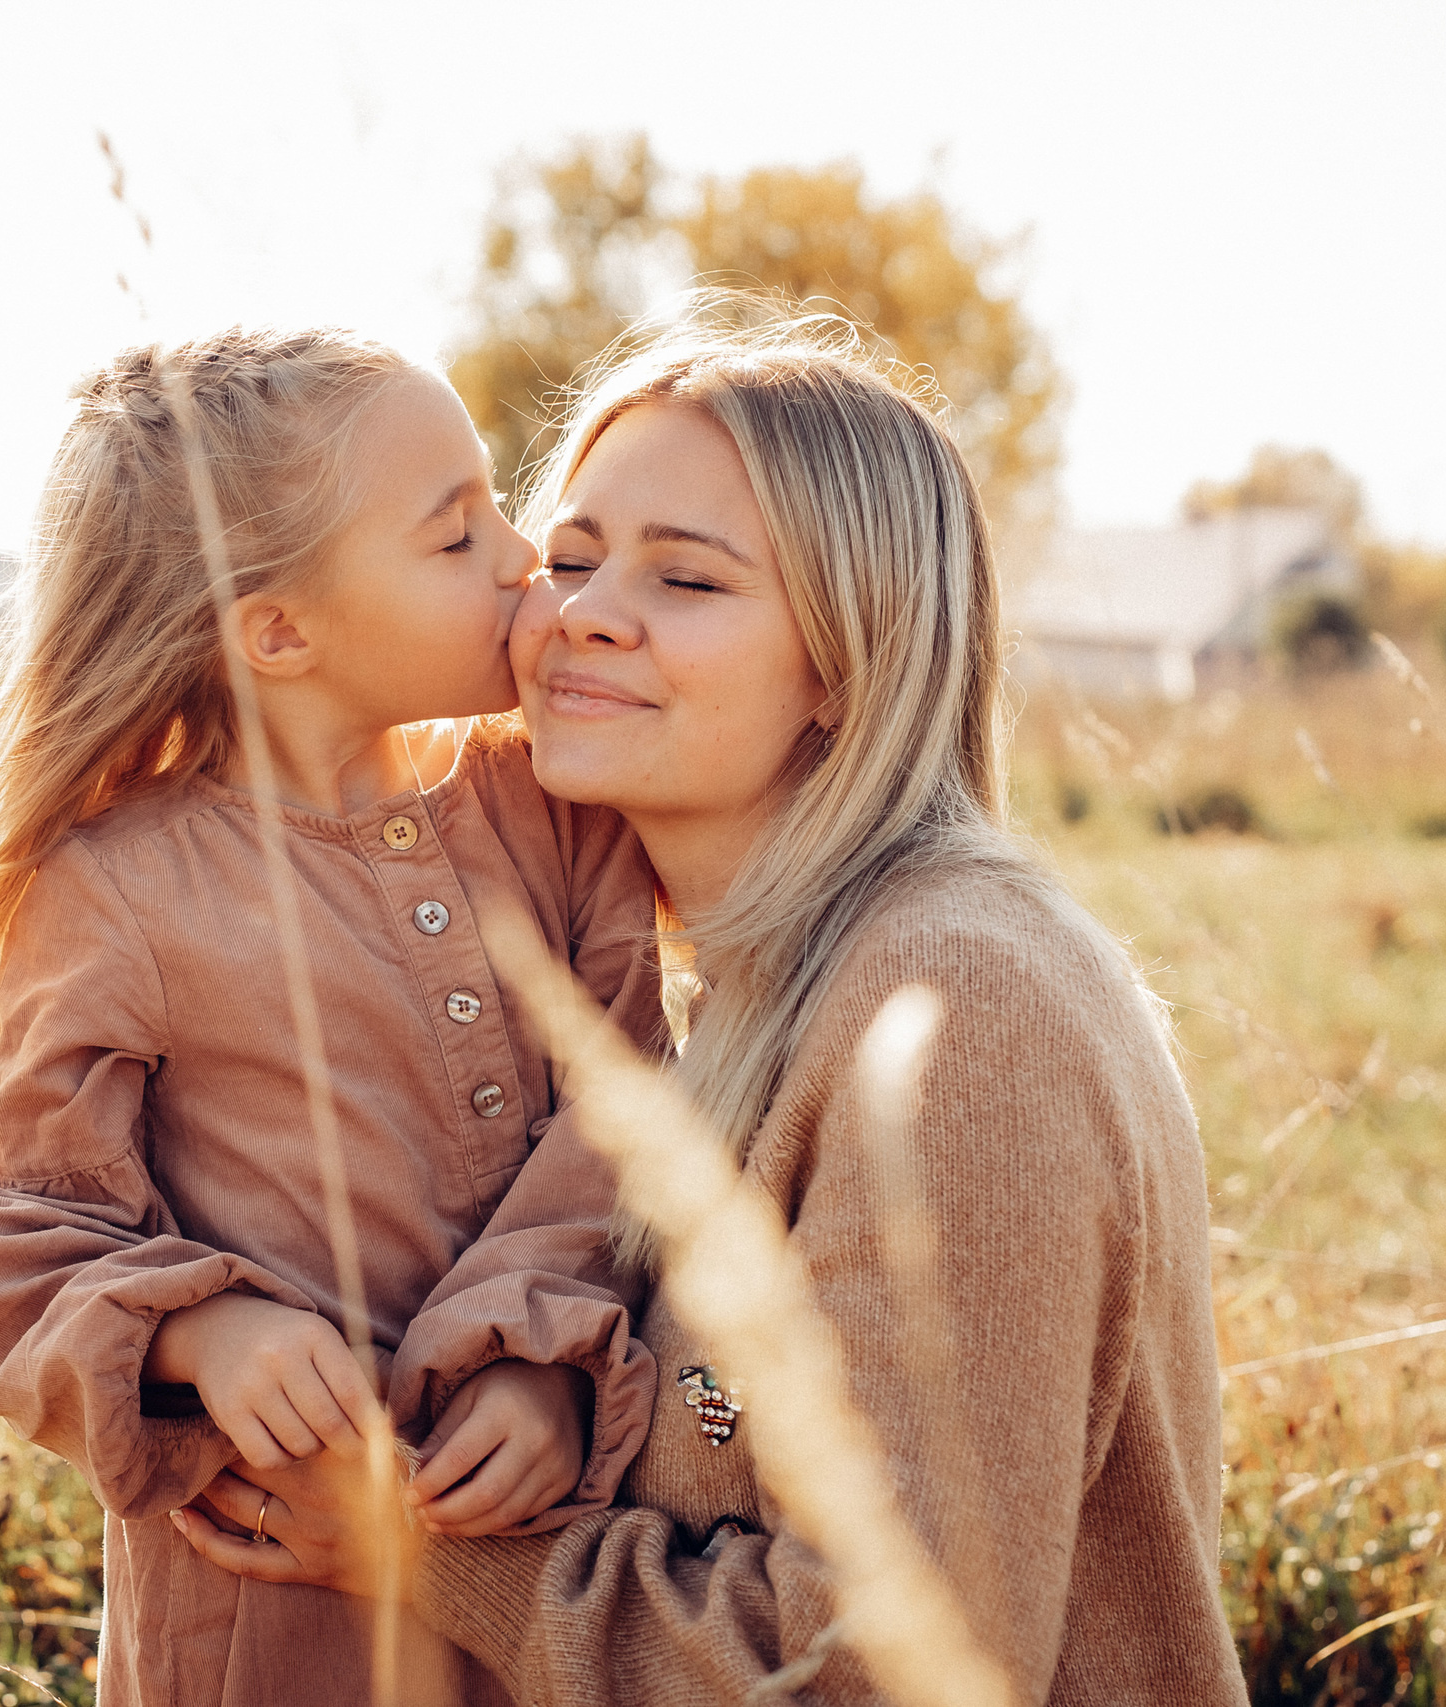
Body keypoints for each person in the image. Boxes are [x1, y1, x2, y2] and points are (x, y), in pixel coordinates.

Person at [174, 308, 1247, 1704]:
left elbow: (885, 1670)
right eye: (568, 556)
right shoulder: (732, 999)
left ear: (844, 664)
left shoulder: (959, 1013)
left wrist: (429, 1556)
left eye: (686, 580)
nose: (581, 612)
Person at [0, 327, 665, 1706]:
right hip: (265, 1608)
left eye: (496, 504)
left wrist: (543, 1368)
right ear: (281, 631)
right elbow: (14, 1234)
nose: (526, 554)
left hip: (528, 1546)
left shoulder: (554, 810)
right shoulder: (120, 888)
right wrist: (198, 1334)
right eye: (454, 533)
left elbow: (637, 1115)